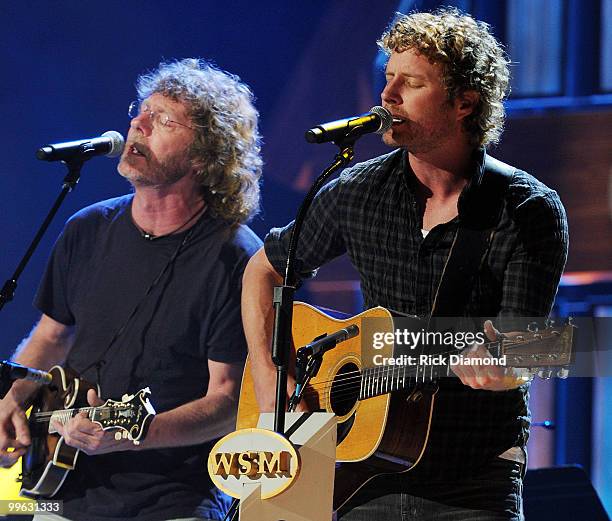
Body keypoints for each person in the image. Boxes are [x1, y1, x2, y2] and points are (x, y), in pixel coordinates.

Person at [241, 7, 568, 521]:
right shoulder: (356, 191)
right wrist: (271, 383)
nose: (387, 97)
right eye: (386, 78)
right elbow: (263, 270)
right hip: (360, 471)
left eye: (409, 83)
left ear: (465, 102)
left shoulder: (525, 210)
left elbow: (525, 347)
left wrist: (506, 366)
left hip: (471, 480)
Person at [0, 58, 263, 521]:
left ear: (205, 155)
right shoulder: (88, 227)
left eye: (163, 121)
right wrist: (13, 399)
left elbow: (230, 401)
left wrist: (137, 435)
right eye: (140, 112)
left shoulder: (236, 257)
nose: (137, 125)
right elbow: (50, 338)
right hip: (61, 487)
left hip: (172, 499)